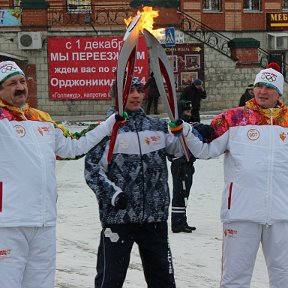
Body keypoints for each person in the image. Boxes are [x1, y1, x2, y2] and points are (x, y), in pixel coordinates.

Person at [85, 76, 212, 287]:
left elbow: (181, 152)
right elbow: (93, 171)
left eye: (139, 90)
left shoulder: (156, 127)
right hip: (119, 219)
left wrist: (191, 132)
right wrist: (115, 195)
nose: (136, 95)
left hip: (154, 217)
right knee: (110, 280)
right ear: (116, 96)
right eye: (129, 91)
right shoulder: (105, 131)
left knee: (162, 280)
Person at [0, 61, 116, 288]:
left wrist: (109, 124)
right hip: (8, 222)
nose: (20, 87)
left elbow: (74, 146)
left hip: (44, 220)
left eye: (22, 81)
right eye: (12, 83)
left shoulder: (42, 119)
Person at [179, 63, 288, 287]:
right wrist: (186, 131)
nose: (262, 91)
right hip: (241, 212)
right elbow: (204, 149)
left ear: (279, 92)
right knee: (235, 278)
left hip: (282, 215)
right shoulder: (233, 118)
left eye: (268, 87)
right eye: (259, 86)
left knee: (284, 276)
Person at [170, 99, 214, 233]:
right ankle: (177, 223)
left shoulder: (189, 127)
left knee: (185, 193)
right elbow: (172, 147)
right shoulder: (174, 129)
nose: (189, 114)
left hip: (188, 164)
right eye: (186, 111)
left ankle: (182, 220)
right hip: (180, 164)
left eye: (190, 111)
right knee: (180, 193)